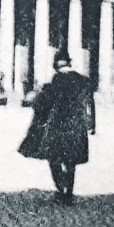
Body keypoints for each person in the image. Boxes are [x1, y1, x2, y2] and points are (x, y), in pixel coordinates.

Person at [19, 50, 97, 205]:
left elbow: (44, 104)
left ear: (56, 65)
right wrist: (92, 124)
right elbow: (90, 104)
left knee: (54, 158)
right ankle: (69, 192)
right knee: (71, 161)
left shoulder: (56, 80)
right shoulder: (83, 80)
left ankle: (61, 188)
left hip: (58, 125)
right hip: (77, 126)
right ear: (69, 63)